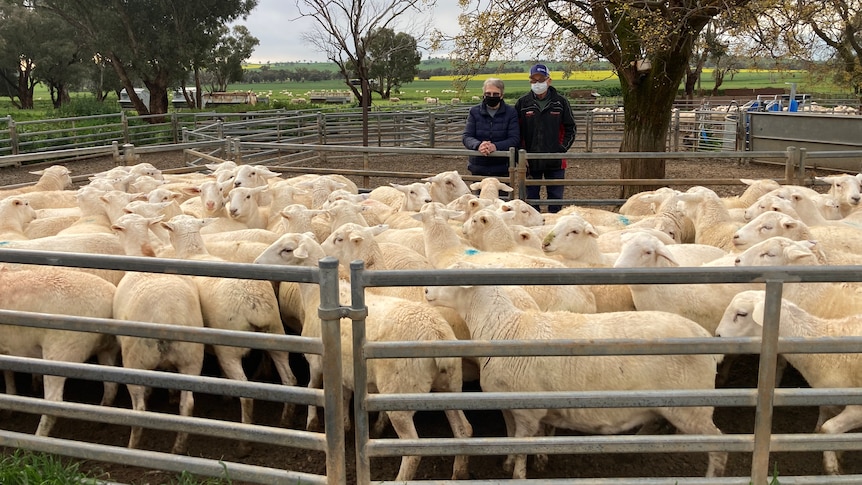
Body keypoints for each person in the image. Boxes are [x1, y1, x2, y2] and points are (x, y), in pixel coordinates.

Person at [514, 64, 576, 213]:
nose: (537, 83)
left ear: (549, 80)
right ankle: (533, 230)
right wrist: (520, 153)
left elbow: (571, 128)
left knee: (555, 199)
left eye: (541, 80)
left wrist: (561, 148)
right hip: (530, 160)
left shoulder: (560, 102)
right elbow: (516, 131)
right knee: (530, 199)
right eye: (534, 80)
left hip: (555, 160)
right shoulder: (523, 103)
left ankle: (554, 229)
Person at [462, 78, 520, 178]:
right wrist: (479, 145)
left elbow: (514, 139)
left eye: (495, 94)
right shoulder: (474, 112)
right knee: (479, 194)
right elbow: (467, 136)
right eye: (488, 94)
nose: (491, 96)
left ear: (501, 95)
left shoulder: (511, 112)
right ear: (484, 94)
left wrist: (495, 146)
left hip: (502, 167)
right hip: (478, 166)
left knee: (502, 194)